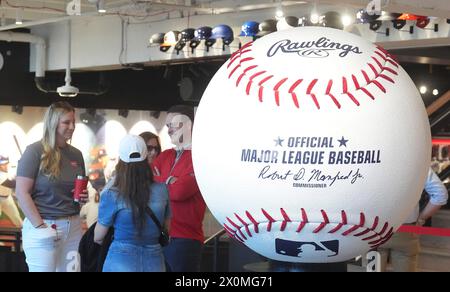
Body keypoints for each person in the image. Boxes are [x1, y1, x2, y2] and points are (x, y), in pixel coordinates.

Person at [15, 101, 88, 272]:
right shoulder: (34, 151)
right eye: (66, 122)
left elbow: (77, 191)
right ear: (53, 123)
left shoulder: (76, 154)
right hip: (44, 225)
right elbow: (21, 192)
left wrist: (82, 197)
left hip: (73, 226)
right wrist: (40, 227)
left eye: (73, 122)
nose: (72, 127)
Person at [94, 134, 170, 272]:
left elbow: (98, 237)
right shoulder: (162, 190)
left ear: (121, 161)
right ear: (146, 157)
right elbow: (167, 227)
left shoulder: (112, 193)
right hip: (154, 261)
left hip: (119, 260)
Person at [152, 105, 206, 272]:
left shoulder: (201, 157)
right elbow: (149, 184)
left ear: (188, 124)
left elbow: (180, 192)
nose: (168, 130)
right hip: (158, 237)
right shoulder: (165, 155)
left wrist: (161, 181)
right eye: (167, 125)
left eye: (173, 124)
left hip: (185, 239)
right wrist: (170, 181)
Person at [378, 167, 448, 272]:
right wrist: (421, 220)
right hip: (407, 229)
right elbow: (440, 194)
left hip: (372, 231)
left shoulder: (368, 159)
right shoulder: (417, 161)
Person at [0, 156, 23, 227]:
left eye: (5, 163)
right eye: (2, 164)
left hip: (7, 198)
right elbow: (12, 184)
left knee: (16, 218)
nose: (4, 166)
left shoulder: (10, 171)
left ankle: (23, 234)